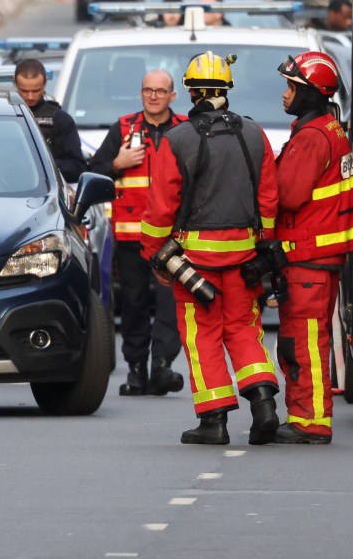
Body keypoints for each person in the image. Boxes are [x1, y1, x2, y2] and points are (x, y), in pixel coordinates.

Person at [140, 51, 282, 446]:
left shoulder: (178, 139)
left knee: (203, 337)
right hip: (245, 258)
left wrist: (155, 254)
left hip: (194, 262)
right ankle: (265, 404)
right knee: (243, 330)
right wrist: (263, 244)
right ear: (227, 89)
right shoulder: (254, 133)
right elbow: (268, 197)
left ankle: (213, 420)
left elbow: (160, 206)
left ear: (190, 91)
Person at [273, 52, 353, 444]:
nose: (285, 94)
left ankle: (310, 420)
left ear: (312, 93)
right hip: (320, 254)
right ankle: (307, 415)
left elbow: (288, 195)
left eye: (292, 87)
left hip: (308, 255)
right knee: (309, 337)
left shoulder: (312, 137)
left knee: (303, 340)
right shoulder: (329, 129)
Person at [89, 70, 187, 397]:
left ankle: (161, 365)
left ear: (173, 96)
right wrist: (116, 163)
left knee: (169, 302)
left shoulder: (185, 129)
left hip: (172, 239)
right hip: (132, 238)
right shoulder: (123, 129)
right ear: (141, 93)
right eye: (148, 90)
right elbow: (92, 173)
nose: (154, 96)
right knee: (133, 304)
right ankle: (135, 371)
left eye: (160, 91)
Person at [13, 59, 88, 182]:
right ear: (16, 84)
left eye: (36, 90)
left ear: (45, 84)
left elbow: (77, 168)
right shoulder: (3, 116)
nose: (30, 96)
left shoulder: (60, 120)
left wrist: (42, 164)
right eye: (24, 91)